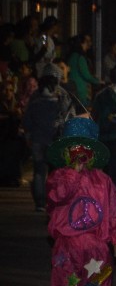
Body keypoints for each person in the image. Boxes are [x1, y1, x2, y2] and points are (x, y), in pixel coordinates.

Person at [45, 116, 116, 286]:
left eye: (86, 148)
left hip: (96, 247)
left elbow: (115, 211)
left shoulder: (102, 180)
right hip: (67, 247)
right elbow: (57, 197)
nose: (81, 153)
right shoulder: (58, 178)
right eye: (75, 148)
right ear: (67, 152)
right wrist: (72, 173)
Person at [22, 64, 73, 211]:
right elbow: (68, 116)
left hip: (38, 140)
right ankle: (53, 199)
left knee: (39, 171)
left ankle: (40, 203)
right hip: (55, 140)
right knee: (55, 171)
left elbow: (27, 120)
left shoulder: (35, 97)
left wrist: (28, 135)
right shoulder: (62, 96)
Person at [67, 33, 101, 108]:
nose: (88, 44)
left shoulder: (72, 56)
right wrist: (98, 81)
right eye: (86, 42)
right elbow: (86, 76)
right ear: (81, 44)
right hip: (80, 91)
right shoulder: (80, 57)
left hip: (73, 89)